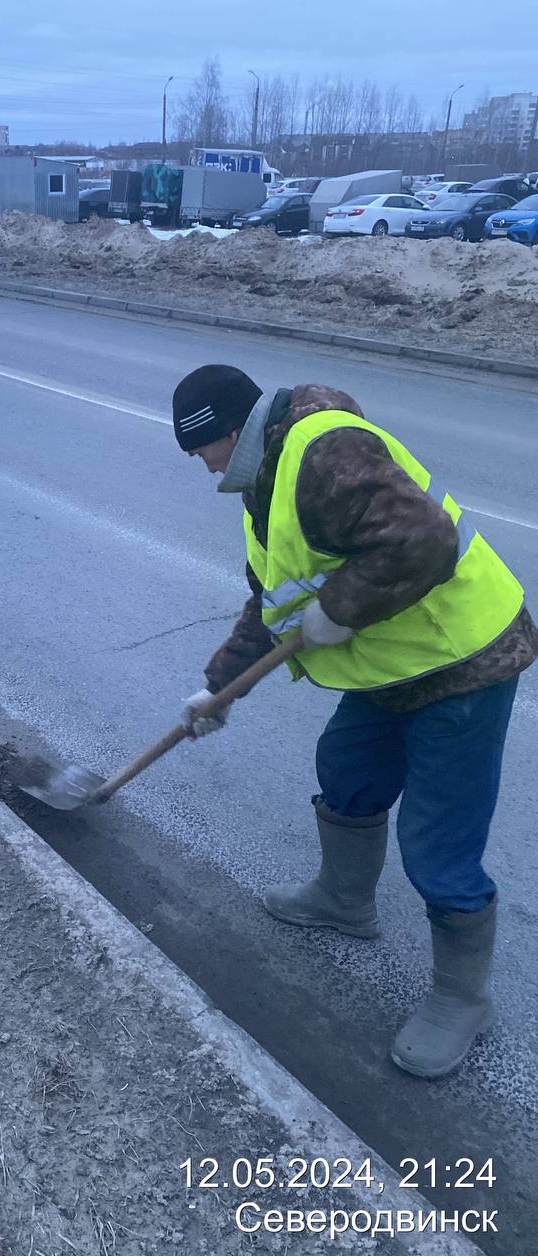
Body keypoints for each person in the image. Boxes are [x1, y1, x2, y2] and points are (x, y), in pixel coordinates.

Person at [173, 364, 537, 1079]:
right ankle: (344, 900)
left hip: (461, 660)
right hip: (393, 665)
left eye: (200, 447)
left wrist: (339, 609)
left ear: (231, 432)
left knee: (437, 842)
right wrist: (217, 691)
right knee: (346, 769)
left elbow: (423, 540)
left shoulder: (320, 452)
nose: (198, 463)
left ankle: (461, 999)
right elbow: (275, 603)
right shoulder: (268, 476)